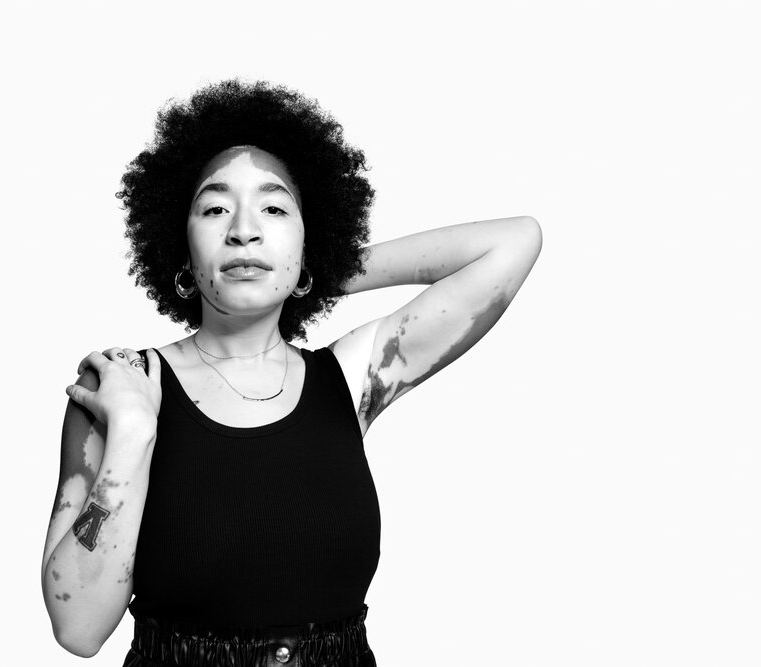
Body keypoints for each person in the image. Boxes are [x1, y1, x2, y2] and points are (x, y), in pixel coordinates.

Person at [40, 79, 542, 665]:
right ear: (181, 247)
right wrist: (131, 434)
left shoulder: (350, 378)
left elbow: (514, 242)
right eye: (215, 208)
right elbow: (78, 629)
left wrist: (316, 269)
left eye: (274, 209)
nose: (243, 230)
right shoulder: (120, 385)